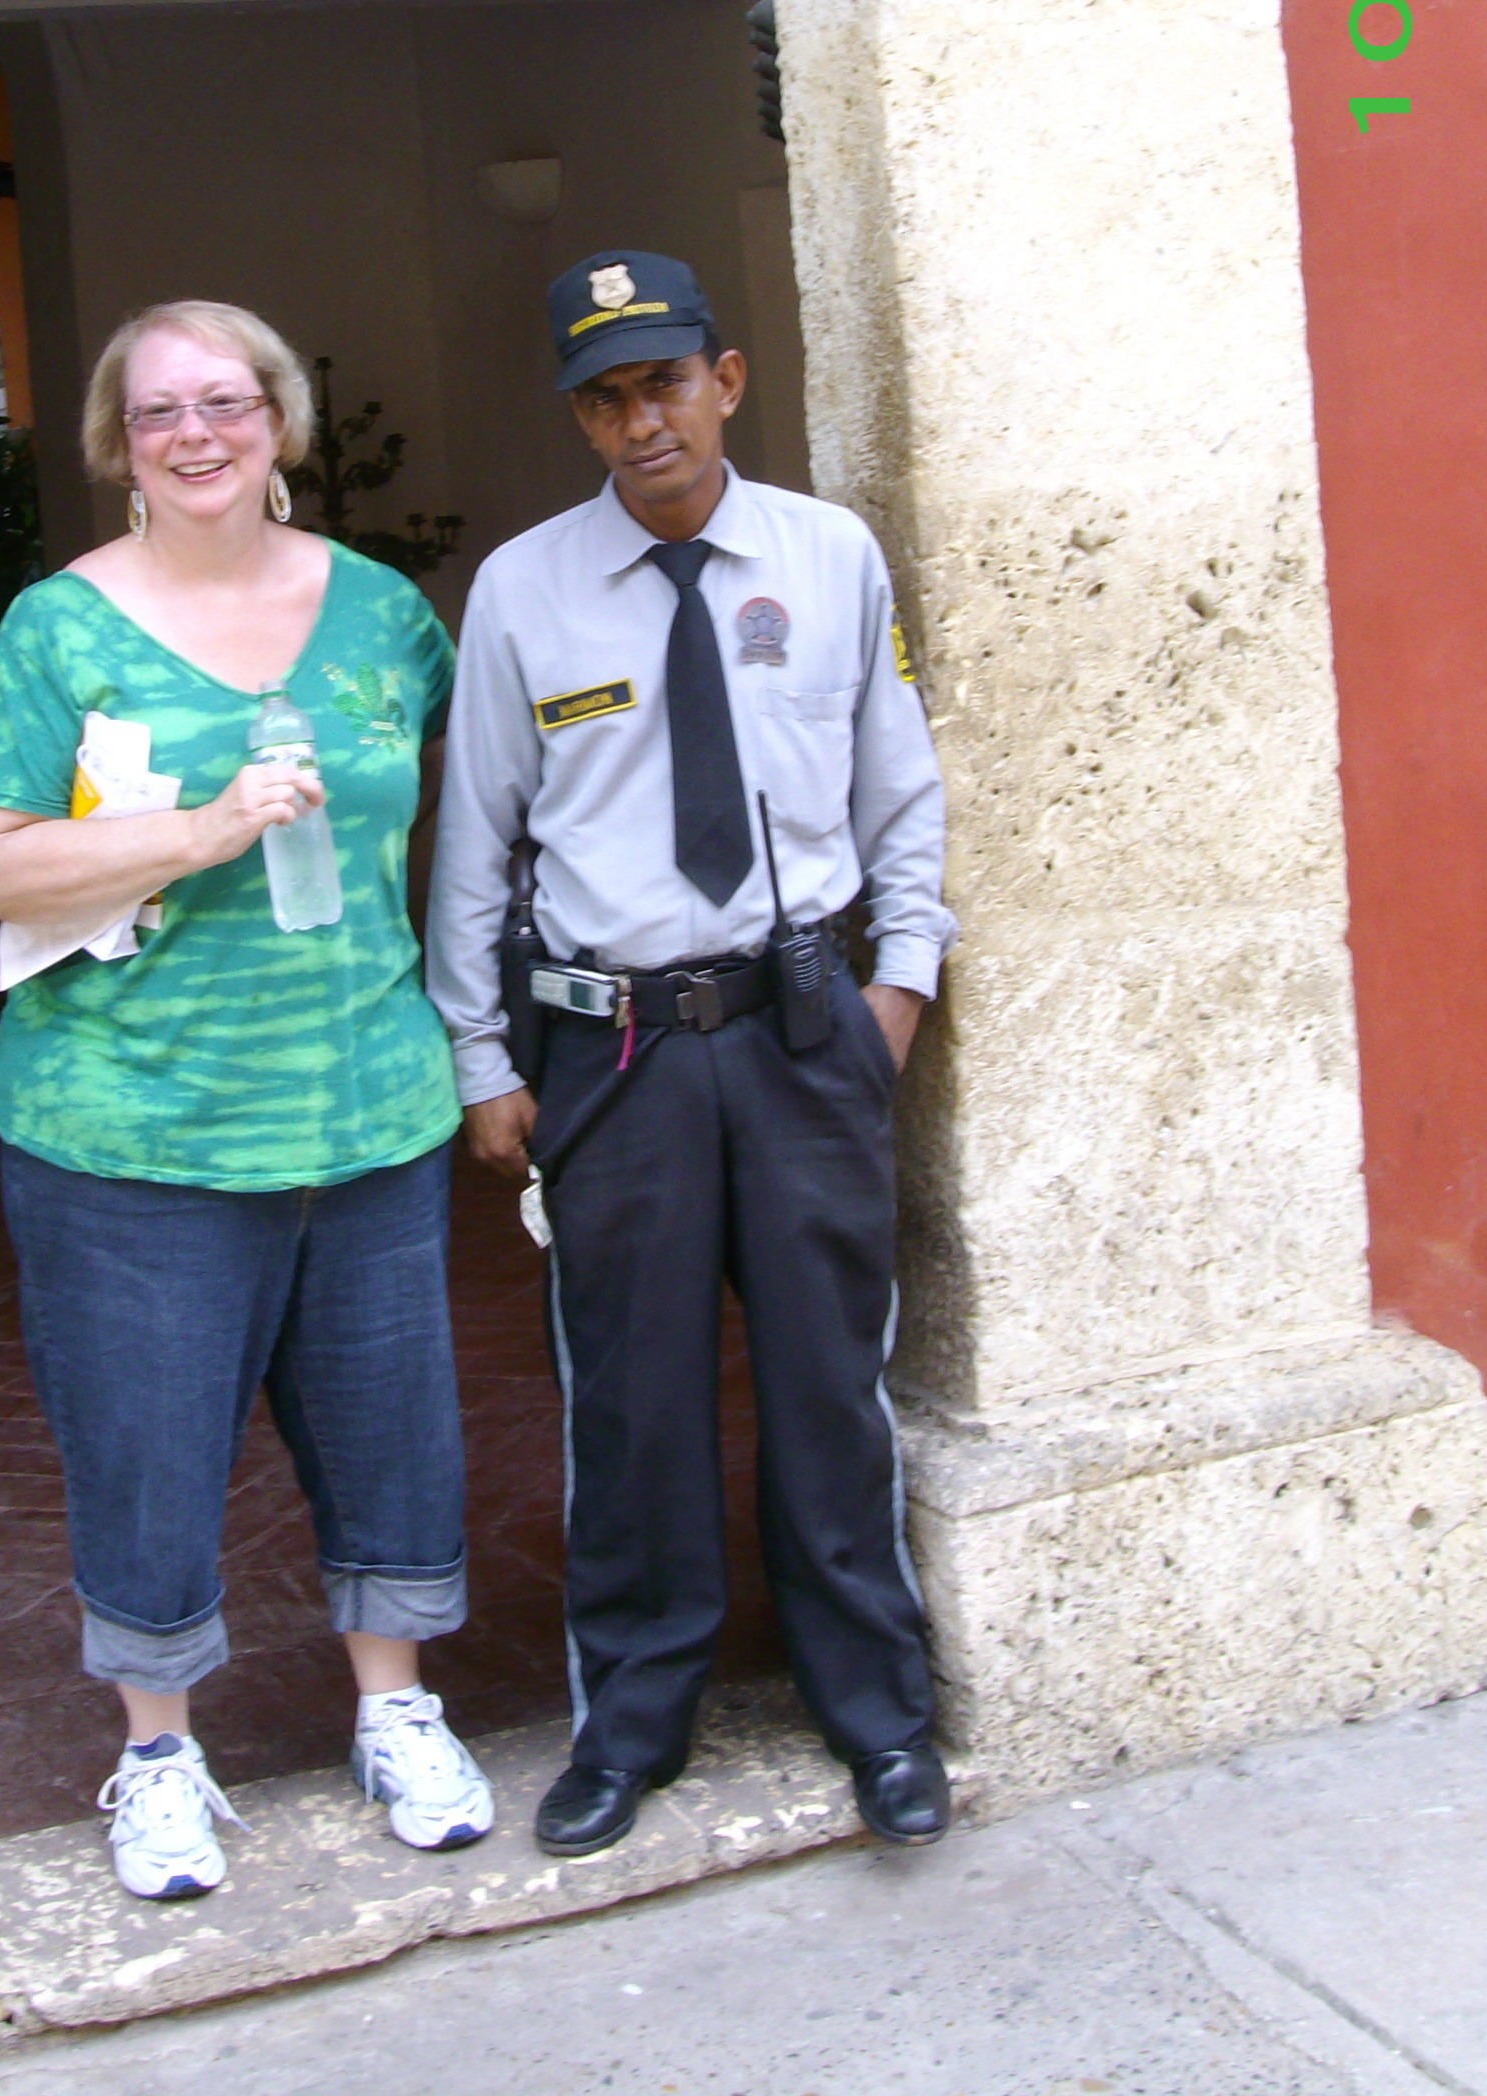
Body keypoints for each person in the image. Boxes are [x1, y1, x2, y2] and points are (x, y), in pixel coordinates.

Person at [0, 299, 492, 1902]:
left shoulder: (387, 614)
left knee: (394, 1436)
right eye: (164, 409)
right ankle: (159, 1755)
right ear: (123, 442)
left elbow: (439, 815)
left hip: (367, 1107)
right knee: (147, 1446)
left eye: (231, 401)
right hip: (133, 1127)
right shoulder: (60, 630)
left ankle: (397, 1717)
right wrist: (196, 830)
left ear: (281, 422)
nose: (200, 432)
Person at [426, 249, 956, 1859]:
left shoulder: (830, 555)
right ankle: (632, 1728)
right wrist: (479, 1057)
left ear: (726, 379)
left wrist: (901, 993)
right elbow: (476, 839)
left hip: (806, 1033)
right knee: (636, 1408)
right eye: (603, 395)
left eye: (663, 382)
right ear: (580, 416)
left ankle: (878, 1719)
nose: (638, 420)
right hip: (620, 1055)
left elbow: (899, 788)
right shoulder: (523, 587)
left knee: (828, 1392)